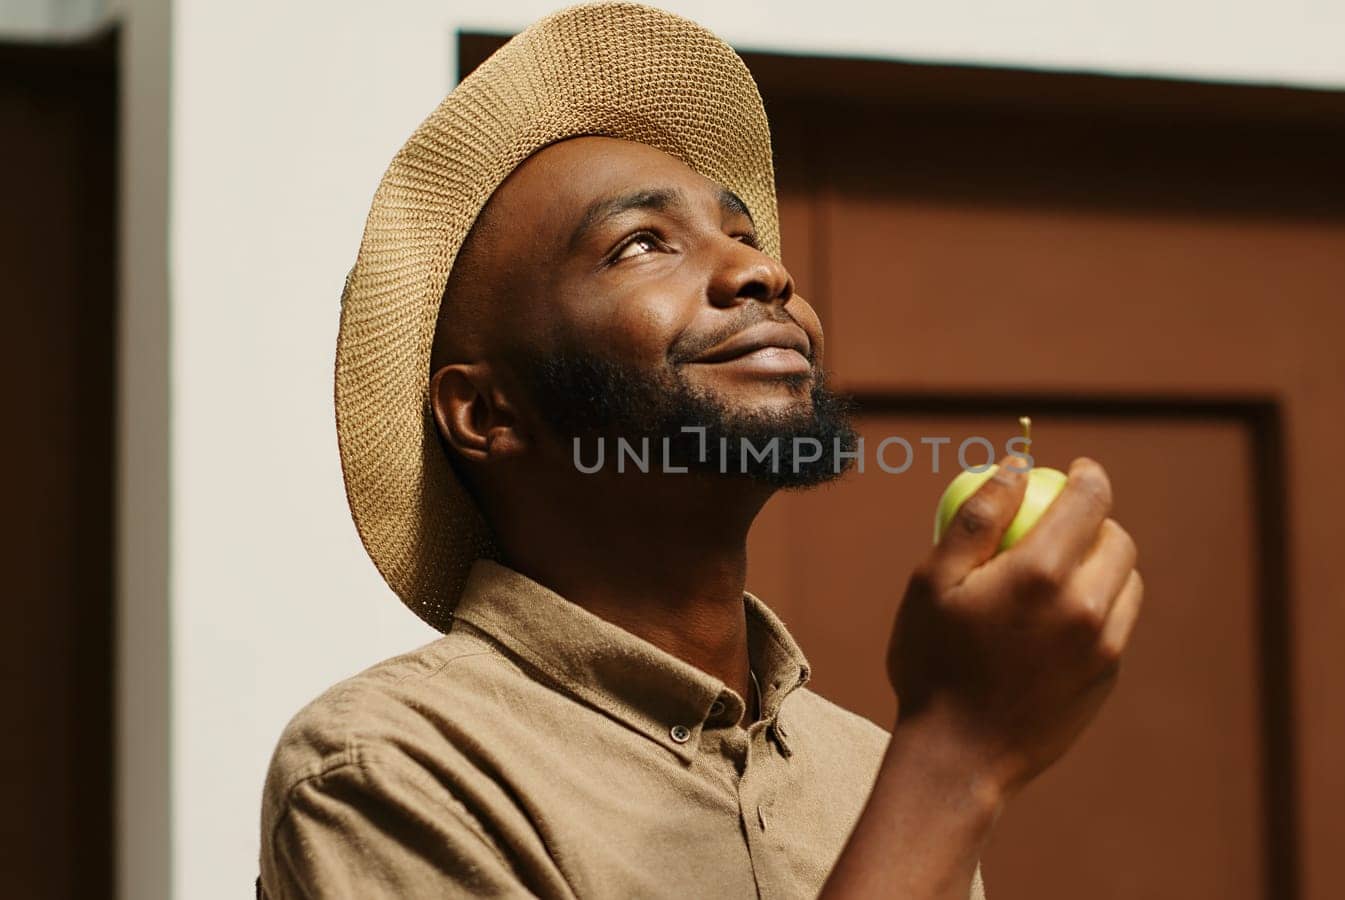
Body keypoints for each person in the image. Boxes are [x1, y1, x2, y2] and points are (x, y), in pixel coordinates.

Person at [258, 4, 1143, 898]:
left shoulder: (874, 772)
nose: (763, 273)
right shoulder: (387, 771)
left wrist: (940, 766)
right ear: (488, 412)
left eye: (744, 234)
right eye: (642, 243)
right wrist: (955, 763)